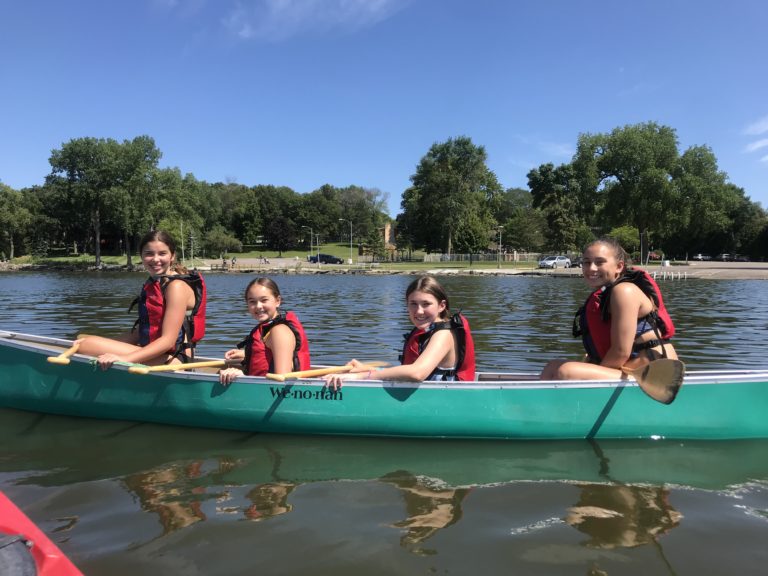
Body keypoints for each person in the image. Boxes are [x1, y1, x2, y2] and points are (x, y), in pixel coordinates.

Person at [540, 237, 678, 380]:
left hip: (657, 373)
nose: (591, 268)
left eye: (600, 262)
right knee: (552, 366)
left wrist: (593, 371)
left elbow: (620, 352)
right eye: (586, 262)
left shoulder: (624, 291)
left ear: (619, 266)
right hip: (631, 368)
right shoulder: (607, 293)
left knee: (566, 371)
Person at [77, 230, 207, 370]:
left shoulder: (176, 287)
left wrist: (124, 359)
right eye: (149, 253)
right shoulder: (156, 282)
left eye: (162, 253)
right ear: (142, 256)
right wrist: (106, 344)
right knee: (83, 342)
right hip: (159, 353)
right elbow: (142, 332)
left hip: (175, 359)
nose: (155, 259)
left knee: (86, 345)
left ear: (172, 256)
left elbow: (168, 342)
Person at [325, 275, 475, 389]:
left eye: (426, 304)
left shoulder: (443, 334)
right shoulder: (426, 330)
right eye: (413, 304)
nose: (419, 311)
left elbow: (416, 373)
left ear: (441, 306)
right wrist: (366, 368)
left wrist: (362, 377)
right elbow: (406, 370)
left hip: (442, 399)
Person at [218, 277, 311, 384]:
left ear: (278, 301)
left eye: (264, 300)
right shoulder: (269, 328)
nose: (258, 306)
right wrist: (247, 353)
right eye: (252, 302)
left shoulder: (279, 332)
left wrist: (241, 376)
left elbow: (282, 380)